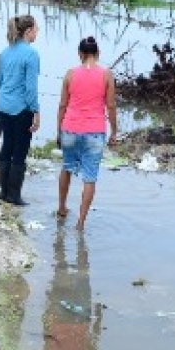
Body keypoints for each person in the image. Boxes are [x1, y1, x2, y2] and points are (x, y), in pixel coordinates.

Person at [55, 36, 118, 230]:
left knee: (66, 168)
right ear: (98, 54)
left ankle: (62, 207)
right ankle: (81, 222)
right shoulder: (106, 75)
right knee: (90, 177)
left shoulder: (70, 74)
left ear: (80, 54)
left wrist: (59, 131)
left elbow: (63, 105)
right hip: (94, 131)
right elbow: (111, 105)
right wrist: (115, 131)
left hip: (70, 128)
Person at [0, 15, 40, 205]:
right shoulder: (31, 54)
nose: (37, 32)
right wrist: (36, 111)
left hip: (4, 105)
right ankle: (14, 195)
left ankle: (4, 192)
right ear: (28, 31)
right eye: (36, 29)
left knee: (6, 147)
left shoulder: (5, 52)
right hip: (21, 108)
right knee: (20, 151)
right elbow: (31, 89)